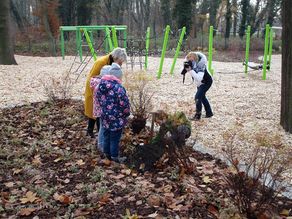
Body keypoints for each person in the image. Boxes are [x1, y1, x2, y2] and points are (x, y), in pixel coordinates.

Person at [84, 47, 127, 138]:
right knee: (97, 112)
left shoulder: (110, 61)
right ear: (116, 57)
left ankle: (91, 132)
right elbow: (94, 77)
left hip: (101, 88)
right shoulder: (101, 62)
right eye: (120, 62)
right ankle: (98, 135)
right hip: (95, 88)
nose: (121, 64)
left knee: (95, 111)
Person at [96, 63, 130, 163]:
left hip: (105, 117)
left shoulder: (101, 86)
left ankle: (107, 154)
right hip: (117, 118)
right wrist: (126, 113)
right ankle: (114, 156)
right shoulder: (119, 88)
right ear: (118, 77)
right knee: (115, 138)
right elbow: (124, 104)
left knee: (106, 135)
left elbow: (98, 100)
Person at [184, 51, 213, 121]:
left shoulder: (201, 65)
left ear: (195, 59)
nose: (190, 61)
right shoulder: (189, 62)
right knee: (202, 97)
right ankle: (209, 113)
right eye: (189, 60)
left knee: (197, 97)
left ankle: (198, 116)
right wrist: (185, 67)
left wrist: (190, 70)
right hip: (199, 83)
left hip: (206, 82)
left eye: (191, 60)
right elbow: (183, 71)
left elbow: (199, 77)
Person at [90, 65, 111, 152]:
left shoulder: (95, 82)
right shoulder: (102, 85)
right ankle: (101, 145)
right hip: (102, 109)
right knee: (102, 127)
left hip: (97, 108)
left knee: (101, 126)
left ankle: (100, 144)